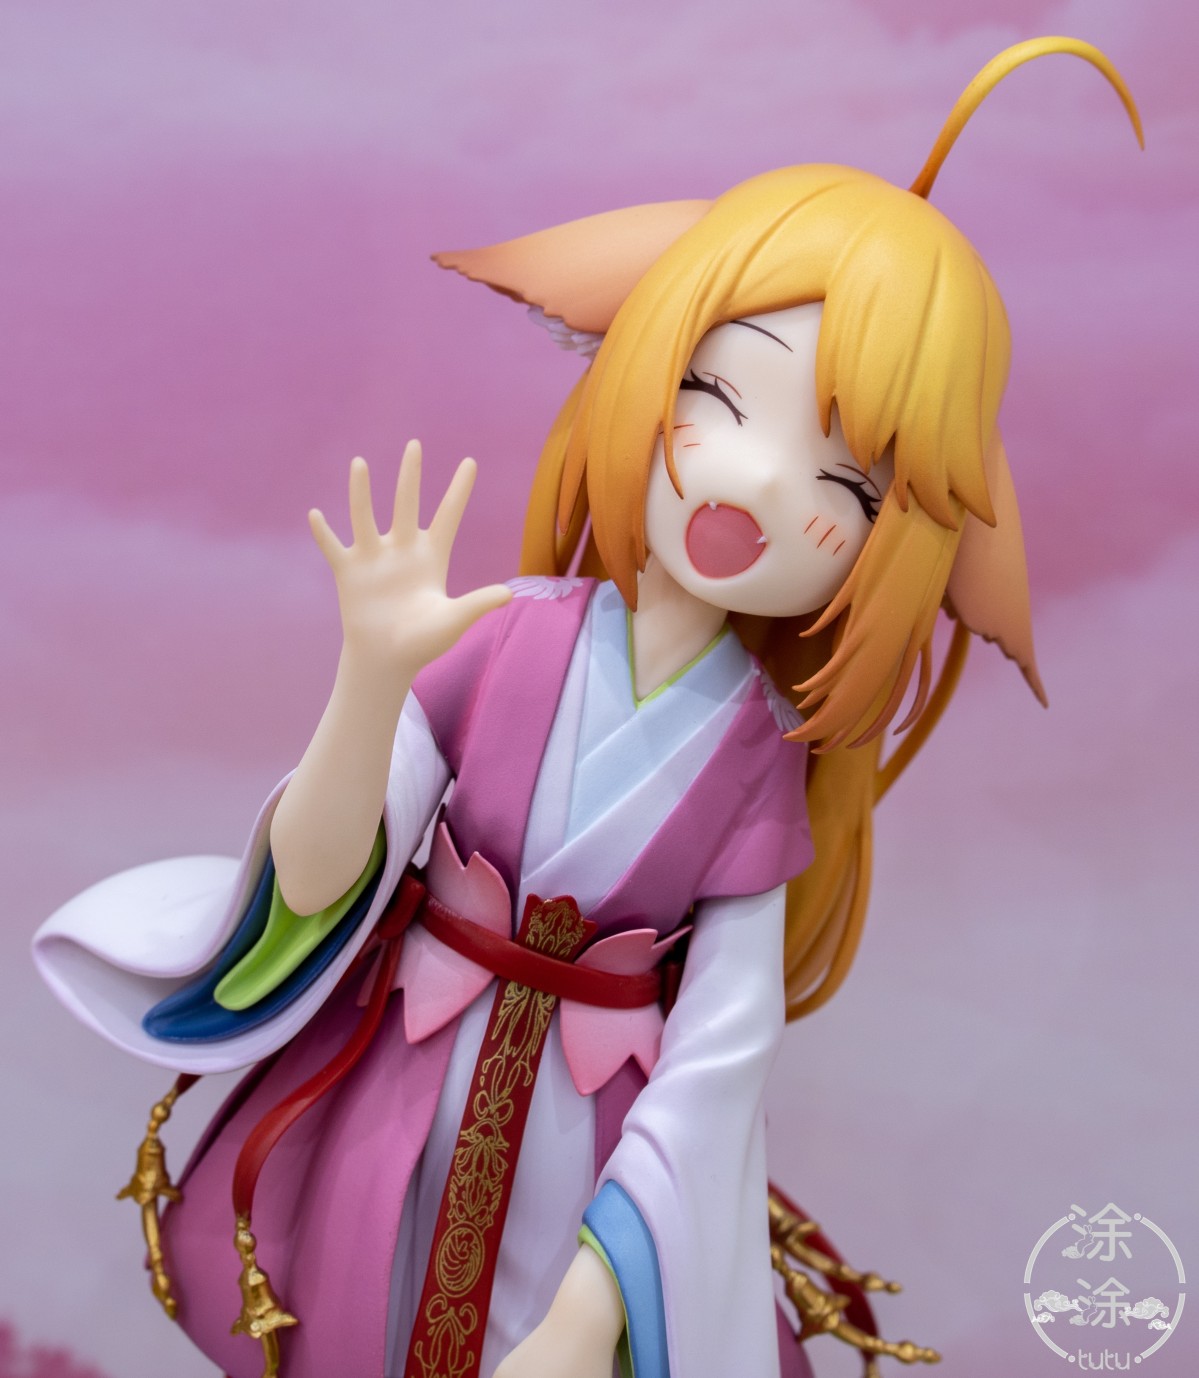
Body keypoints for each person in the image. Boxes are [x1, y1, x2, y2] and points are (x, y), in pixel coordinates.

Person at [33, 37, 1140, 1378]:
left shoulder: (759, 756)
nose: (755, 481)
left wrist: (588, 1314)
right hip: (397, 1099)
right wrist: (371, 677)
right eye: (717, 395)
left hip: (585, 1167)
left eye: (846, 484)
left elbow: (719, 1060)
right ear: (641, 367)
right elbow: (317, 883)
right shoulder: (503, 640)